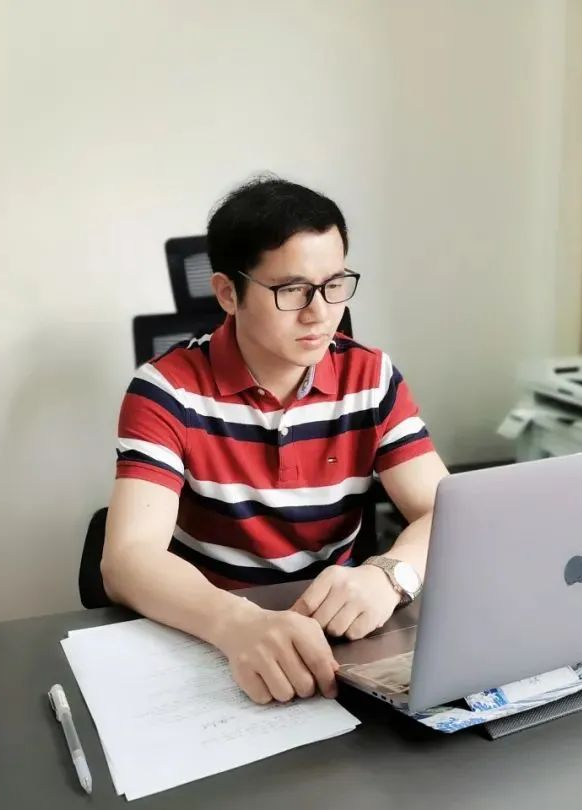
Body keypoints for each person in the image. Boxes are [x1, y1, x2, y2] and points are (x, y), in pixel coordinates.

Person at [101, 177, 448, 705]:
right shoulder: (167, 390)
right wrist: (235, 622)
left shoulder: (371, 377)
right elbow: (127, 558)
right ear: (228, 293)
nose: (320, 313)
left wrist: (390, 576)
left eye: (335, 285)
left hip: (338, 633)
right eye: (292, 290)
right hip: (217, 633)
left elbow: (445, 511)